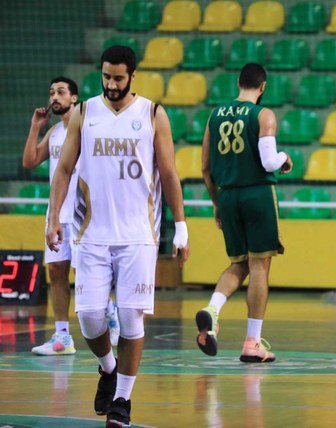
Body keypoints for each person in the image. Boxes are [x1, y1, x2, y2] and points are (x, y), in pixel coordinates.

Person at [46, 46, 190, 426]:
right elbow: (63, 171)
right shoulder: (84, 112)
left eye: (118, 78)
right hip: (92, 235)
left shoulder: (153, 114)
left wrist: (182, 226)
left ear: (133, 76)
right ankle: (108, 368)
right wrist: (53, 219)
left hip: (138, 237)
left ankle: (123, 400)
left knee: (130, 319)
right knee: (91, 319)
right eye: (106, 77)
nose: (111, 84)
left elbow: (170, 174)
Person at [197, 63, 292, 363]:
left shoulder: (215, 115)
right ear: (263, 87)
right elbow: (268, 161)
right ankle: (252, 342)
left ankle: (212, 310)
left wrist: (216, 203)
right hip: (257, 193)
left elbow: (205, 168)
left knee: (238, 263)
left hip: (227, 196)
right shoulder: (263, 115)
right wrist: (285, 159)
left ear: (238, 82)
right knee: (260, 266)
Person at [22, 77, 120, 355]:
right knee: (56, 272)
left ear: (74, 99)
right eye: (52, 91)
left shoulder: (87, 129)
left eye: (61, 92)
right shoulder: (54, 131)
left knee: (85, 274)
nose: (55, 96)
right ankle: (63, 337)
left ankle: (110, 311)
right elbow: (29, 162)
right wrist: (34, 127)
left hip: (81, 215)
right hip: (56, 214)